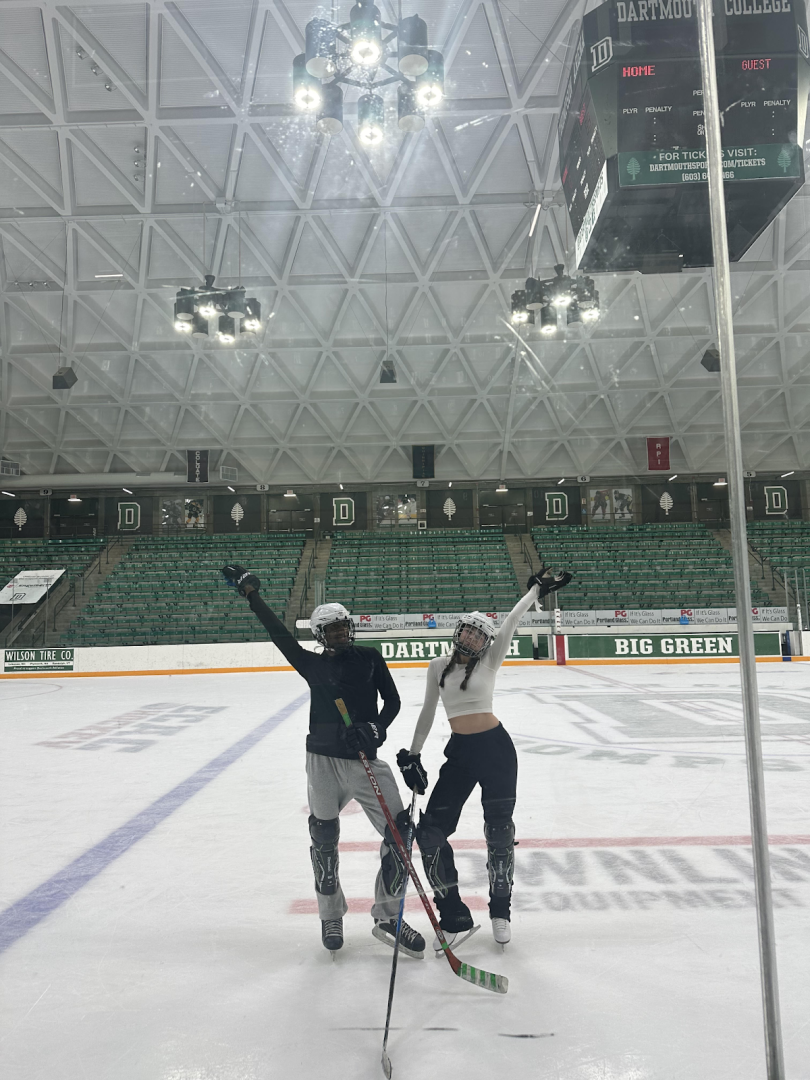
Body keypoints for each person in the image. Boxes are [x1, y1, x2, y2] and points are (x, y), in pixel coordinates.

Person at [222, 564, 425, 959]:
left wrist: (377, 730)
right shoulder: (312, 664)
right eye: (332, 630)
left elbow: (394, 702)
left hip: (366, 761)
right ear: (320, 635)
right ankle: (330, 915)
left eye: (343, 627)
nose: (341, 634)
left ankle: (388, 917)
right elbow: (277, 634)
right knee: (324, 841)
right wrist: (251, 594)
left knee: (401, 834)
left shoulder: (370, 657)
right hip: (323, 764)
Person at [397, 567, 571, 948]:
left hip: (495, 750)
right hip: (460, 753)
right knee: (430, 833)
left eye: (479, 634)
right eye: (468, 631)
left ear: (485, 640)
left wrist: (535, 592)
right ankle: (453, 910)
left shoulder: (491, 660)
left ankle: (500, 910)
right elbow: (428, 712)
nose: (472, 637)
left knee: (499, 834)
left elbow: (511, 620)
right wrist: (412, 753)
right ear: (458, 632)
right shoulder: (437, 667)